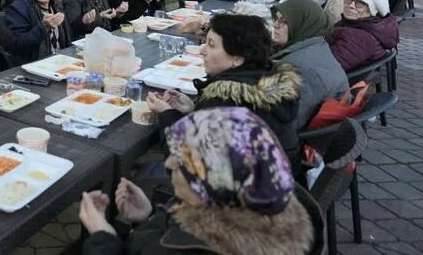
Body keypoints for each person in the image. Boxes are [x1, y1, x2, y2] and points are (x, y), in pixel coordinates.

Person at [80, 107, 323, 255]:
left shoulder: (182, 248)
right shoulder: (259, 207)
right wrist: (148, 216)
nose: (168, 164)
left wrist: (101, 235)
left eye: (183, 162)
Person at [147, 13, 302, 174]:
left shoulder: (226, 100)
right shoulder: (266, 80)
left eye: (211, 45)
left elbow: (187, 166)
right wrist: (194, 110)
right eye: (205, 42)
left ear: (237, 58)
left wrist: (167, 114)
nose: (202, 51)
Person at [271, 0, 348, 128]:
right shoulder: (317, 44)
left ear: (302, 25)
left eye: (284, 21)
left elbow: (285, 123)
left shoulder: (299, 67)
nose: (275, 25)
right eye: (275, 19)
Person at [326, 0, 399, 72]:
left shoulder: (359, 38)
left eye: (360, 3)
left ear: (372, 9)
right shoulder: (365, 26)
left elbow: (328, 67)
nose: (351, 6)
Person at [5, 0, 71, 63]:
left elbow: (69, 37)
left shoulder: (58, 5)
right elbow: (18, 45)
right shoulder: (18, 9)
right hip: (35, 64)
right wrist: (44, 28)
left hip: (61, 61)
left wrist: (83, 22)